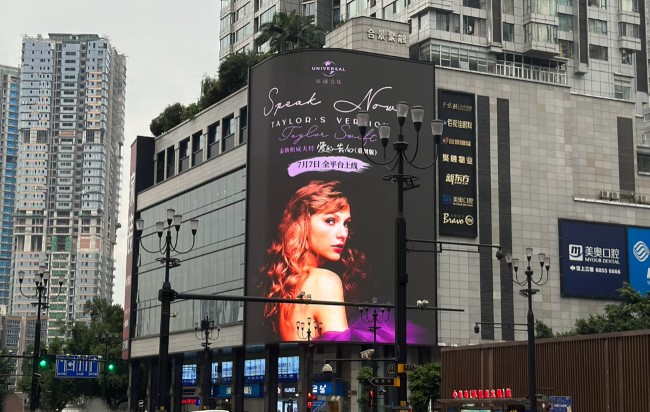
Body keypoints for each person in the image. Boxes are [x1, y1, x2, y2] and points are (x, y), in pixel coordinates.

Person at [261, 180, 367, 340]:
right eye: (330, 221)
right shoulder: (325, 281)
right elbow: (340, 351)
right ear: (302, 222)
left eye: (346, 224)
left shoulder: (287, 285)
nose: (343, 234)